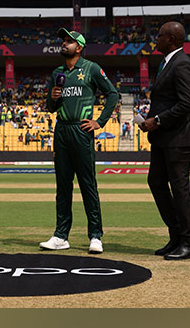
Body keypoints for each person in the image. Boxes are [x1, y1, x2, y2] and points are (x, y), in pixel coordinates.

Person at [40, 28, 119, 254]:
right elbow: (51, 107)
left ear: (79, 47)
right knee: (62, 187)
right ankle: (60, 236)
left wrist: (100, 122)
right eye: (63, 41)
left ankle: (95, 236)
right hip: (62, 131)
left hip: (81, 131)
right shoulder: (57, 72)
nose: (64, 44)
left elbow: (112, 94)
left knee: (87, 185)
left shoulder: (91, 68)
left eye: (69, 41)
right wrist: (52, 98)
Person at [140, 21, 190, 260]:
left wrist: (157, 119)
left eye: (160, 36)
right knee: (156, 182)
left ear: (172, 40)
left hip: (178, 137)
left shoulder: (182, 63)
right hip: (163, 137)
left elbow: (186, 104)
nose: (156, 39)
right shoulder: (167, 63)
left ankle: (189, 243)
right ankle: (176, 236)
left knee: (180, 189)